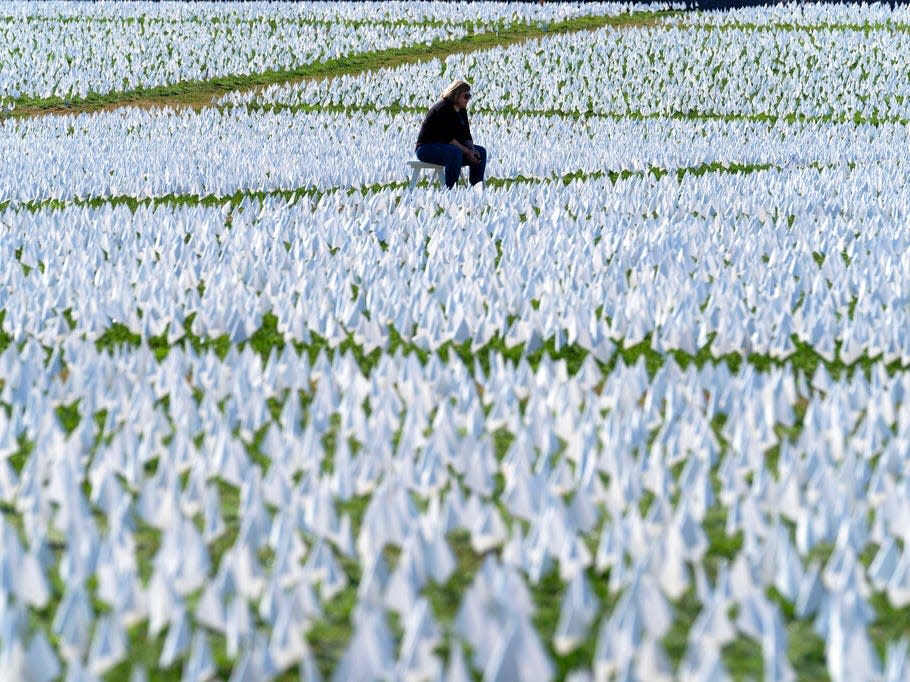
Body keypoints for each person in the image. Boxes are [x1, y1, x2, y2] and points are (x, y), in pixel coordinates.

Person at [415, 80, 487, 189]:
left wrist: (472, 149)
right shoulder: (442, 109)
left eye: (469, 96)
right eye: (466, 96)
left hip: (448, 148)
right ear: (456, 94)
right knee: (455, 153)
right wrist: (467, 152)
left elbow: (466, 135)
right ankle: (449, 189)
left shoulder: (462, 110)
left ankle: (476, 187)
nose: (468, 99)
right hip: (427, 148)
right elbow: (448, 139)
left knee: (480, 151)